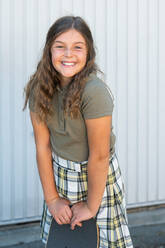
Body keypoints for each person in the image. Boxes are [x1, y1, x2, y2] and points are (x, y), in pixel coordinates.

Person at [23, 16, 133, 248]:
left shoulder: (94, 92)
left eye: (77, 47)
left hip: (96, 178)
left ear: (89, 52)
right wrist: (52, 199)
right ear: (49, 51)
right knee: (64, 241)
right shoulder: (39, 88)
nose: (68, 54)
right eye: (60, 46)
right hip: (60, 176)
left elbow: (99, 155)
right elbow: (42, 146)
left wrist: (91, 206)